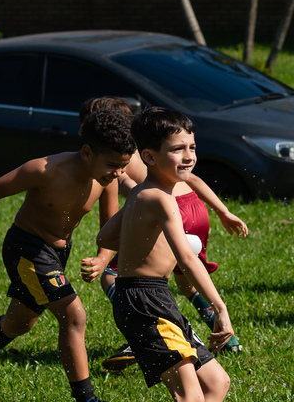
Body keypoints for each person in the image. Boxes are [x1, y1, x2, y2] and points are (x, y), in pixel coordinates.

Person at [0, 106, 134, 402]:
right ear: (87, 152)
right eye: (113, 165)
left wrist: (103, 259)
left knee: (19, 323)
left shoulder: (107, 180)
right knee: (74, 315)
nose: (118, 173)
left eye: (123, 167)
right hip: (26, 248)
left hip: (58, 253)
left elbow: (109, 229)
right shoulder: (46, 169)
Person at [98, 107, 241, 402]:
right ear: (148, 155)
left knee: (216, 382)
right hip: (143, 300)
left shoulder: (146, 193)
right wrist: (219, 306)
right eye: (177, 149)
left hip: (153, 295)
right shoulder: (159, 198)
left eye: (192, 147)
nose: (189, 156)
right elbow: (189, 260)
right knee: (189, 396)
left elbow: (105, 233)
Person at [76, 98, 248, 371]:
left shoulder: (117, 165)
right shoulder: (166, 160)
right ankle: (225, 335)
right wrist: (222, 211)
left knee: (113, 275)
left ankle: (141, 337)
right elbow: (193, 179)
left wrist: (105, 255)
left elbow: (108, 230)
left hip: (169, 216)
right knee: (187, 282)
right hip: (195, 209)